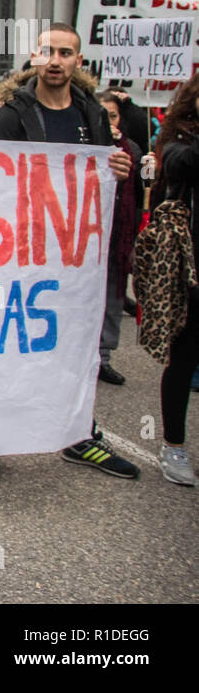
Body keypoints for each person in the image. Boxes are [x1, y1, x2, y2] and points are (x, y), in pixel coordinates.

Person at [0, 23, 139, 481]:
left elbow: (102, 173)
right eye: (49, 52)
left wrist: (117, 166)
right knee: (6, 340)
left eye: (66, 53)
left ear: (77, 62)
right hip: (18, 250)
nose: (57, 61)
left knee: (73, 345)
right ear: (35, 57)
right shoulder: (13, 113)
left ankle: (78, 433)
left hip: (72, 255)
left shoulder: (91, 112)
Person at [147, 74, 199, 485]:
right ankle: (173, 444)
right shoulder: (179, 139)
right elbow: (182, 164)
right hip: (191, 267)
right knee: (184, 357)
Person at [95, 91, 142, 386]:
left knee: (113, 299)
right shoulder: (82, 145)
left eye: (112, 116)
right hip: (84, 241)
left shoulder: (132, 149)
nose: (108, 122)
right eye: (102, 116)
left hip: (117, 238)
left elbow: (147, 183)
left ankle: (105, 357)